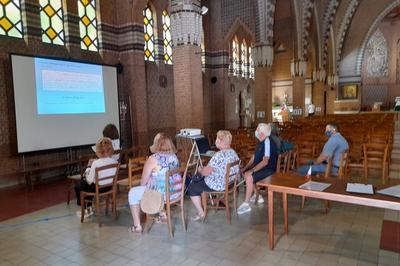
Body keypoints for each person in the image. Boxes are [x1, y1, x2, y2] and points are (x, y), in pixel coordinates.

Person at [127, 133, 181, 234]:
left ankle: (137, 226)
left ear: (157, 144)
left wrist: (146, 189)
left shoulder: (153, 159)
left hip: (161, 195)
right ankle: (163, 215)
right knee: (157, 186)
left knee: (133, 193)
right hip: (175, 193)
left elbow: (143, 181)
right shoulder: (174, 157)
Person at [187, 130, 239, 221]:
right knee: (200, 181)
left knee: (192, 187)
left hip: (219, 184)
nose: (216, 141)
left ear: (221, 141)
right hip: (229, 183)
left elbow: (205, 173)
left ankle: (201, 212)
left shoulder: (219, 155)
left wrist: (200, 169)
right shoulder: (233, 152)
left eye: (217, 138)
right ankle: (216, 201)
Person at [237, 123, 279, 215]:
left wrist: (251, 171)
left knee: (249, 177)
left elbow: (265, 162)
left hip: (269, 169)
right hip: (262, 168)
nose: (257, 133)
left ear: (264, 133)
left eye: (259, 132)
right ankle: (258, 196)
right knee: (247, 174)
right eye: (257, 131)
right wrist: (245, 168)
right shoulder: (261, 141)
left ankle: (246, 204)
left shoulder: (267, 142)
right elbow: (254, 157)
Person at [75, 137, 118, 217]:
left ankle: (86, 209)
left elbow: (89, 180)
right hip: (109, 187)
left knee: (80, 186)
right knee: (84, 184)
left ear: (98, 150)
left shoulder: (96, 163)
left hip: (98, 188)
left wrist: (88, 167)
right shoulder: (115, 162)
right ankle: (88, 208)